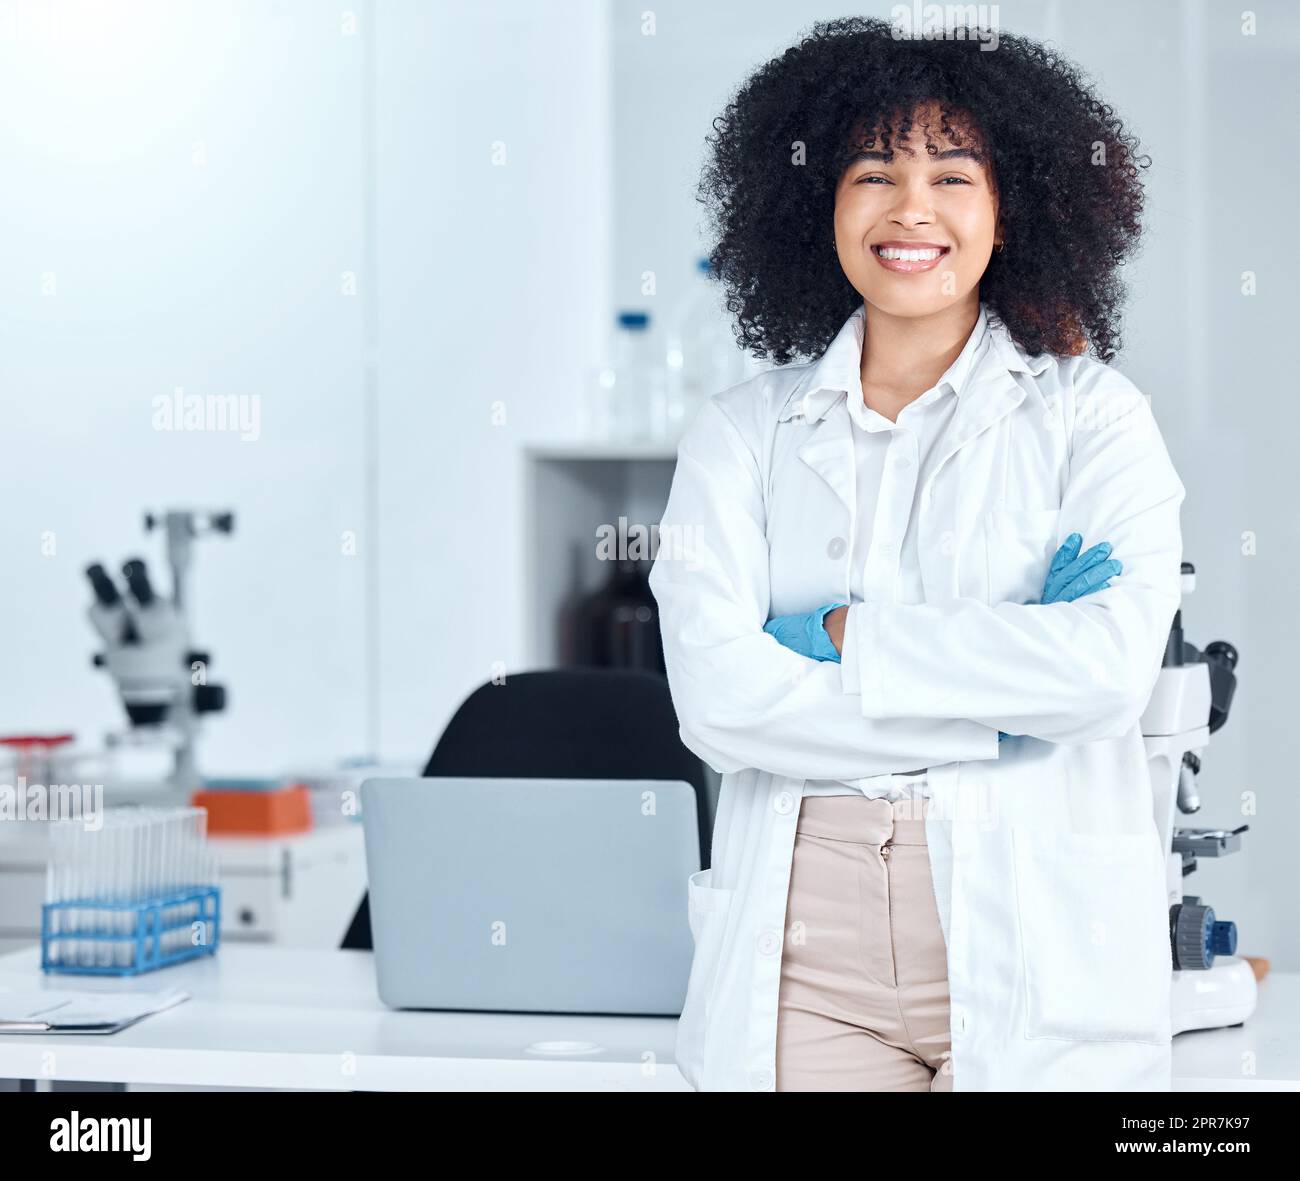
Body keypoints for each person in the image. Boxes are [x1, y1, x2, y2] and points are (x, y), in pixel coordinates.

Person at [648, 17, 1185, 1092]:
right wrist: (1005, 698)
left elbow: (1104, 677)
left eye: (953, 174)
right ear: (816, 205)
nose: (911, 210)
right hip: (807, 951)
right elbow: (716, 700)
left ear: (1009, 206)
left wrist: (843, 640)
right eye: (871, 173)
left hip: (1036, 932)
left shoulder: (1096, 420)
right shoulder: (743, 431)